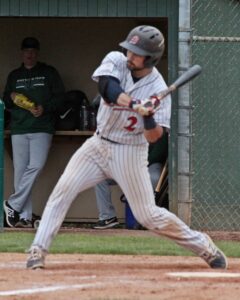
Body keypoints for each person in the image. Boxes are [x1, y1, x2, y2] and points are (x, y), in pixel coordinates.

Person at [25, 25, 227, 270]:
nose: (130, 55)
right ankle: (38, 249)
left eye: (136, 52)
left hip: (130, 152)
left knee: (147, 216)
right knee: (63, 190)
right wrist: (134, 104)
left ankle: (204, 245)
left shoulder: (157, 88)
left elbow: (154, 137)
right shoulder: (116, 60)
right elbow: (107, 89)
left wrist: (149, 116)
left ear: (151, 58)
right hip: (97, 145)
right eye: (129, 49)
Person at [3, 37, 65, 228]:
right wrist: (13, 97)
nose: (29, 54)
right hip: (19, 127)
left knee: (36, 166)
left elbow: (61, 98)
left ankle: (12, 204)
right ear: (22, 53)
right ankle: (24, 216)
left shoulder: (48, 72)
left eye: (33, 51)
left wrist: (43, 108)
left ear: (37, 53)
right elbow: (6, 99)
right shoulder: (15, 75)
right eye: (26, 51)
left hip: (42, 127)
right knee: (20, 173)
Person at [93, 132, 168, 229]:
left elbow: (157, 155)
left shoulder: (159, 130)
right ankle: (108, 217)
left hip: (150, 166)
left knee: (153, 179)